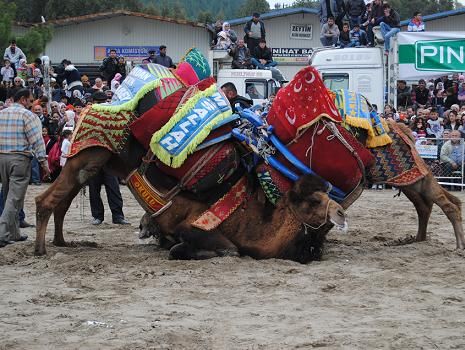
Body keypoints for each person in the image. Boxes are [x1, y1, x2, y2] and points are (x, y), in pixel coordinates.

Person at [0, 89, 50, 247]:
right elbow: (37, 140)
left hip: (1, 157)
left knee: (9, 194)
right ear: (22, 100)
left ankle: (14, 233)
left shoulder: (1, 113)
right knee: (14, 198)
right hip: (19, 158)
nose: (32, 103)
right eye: (30, 100)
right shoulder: (28, 116)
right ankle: (2, 233)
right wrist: (44, 163)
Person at [87, 91, 129, 226]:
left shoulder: (111, 117)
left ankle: (117, 215)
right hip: (94, 158)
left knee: (113, 188)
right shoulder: (88, 118)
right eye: (99, 103)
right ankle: (99, 215)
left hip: (108, 157)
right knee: (95, 189)